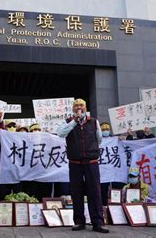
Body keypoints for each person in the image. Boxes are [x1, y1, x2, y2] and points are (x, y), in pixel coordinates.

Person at [57, 98, 109, 233]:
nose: (78, 107)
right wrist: (75, 121)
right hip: (75, 163)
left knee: (95, 192)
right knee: (76, 192)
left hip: (91, 162)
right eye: (76, 105)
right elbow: (60, 133)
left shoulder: (94, 121)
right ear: (73, 109)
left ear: (85, 107)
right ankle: (79, 221)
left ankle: (98, 222)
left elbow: (99, 139)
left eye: (81, 105)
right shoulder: (68, 122)